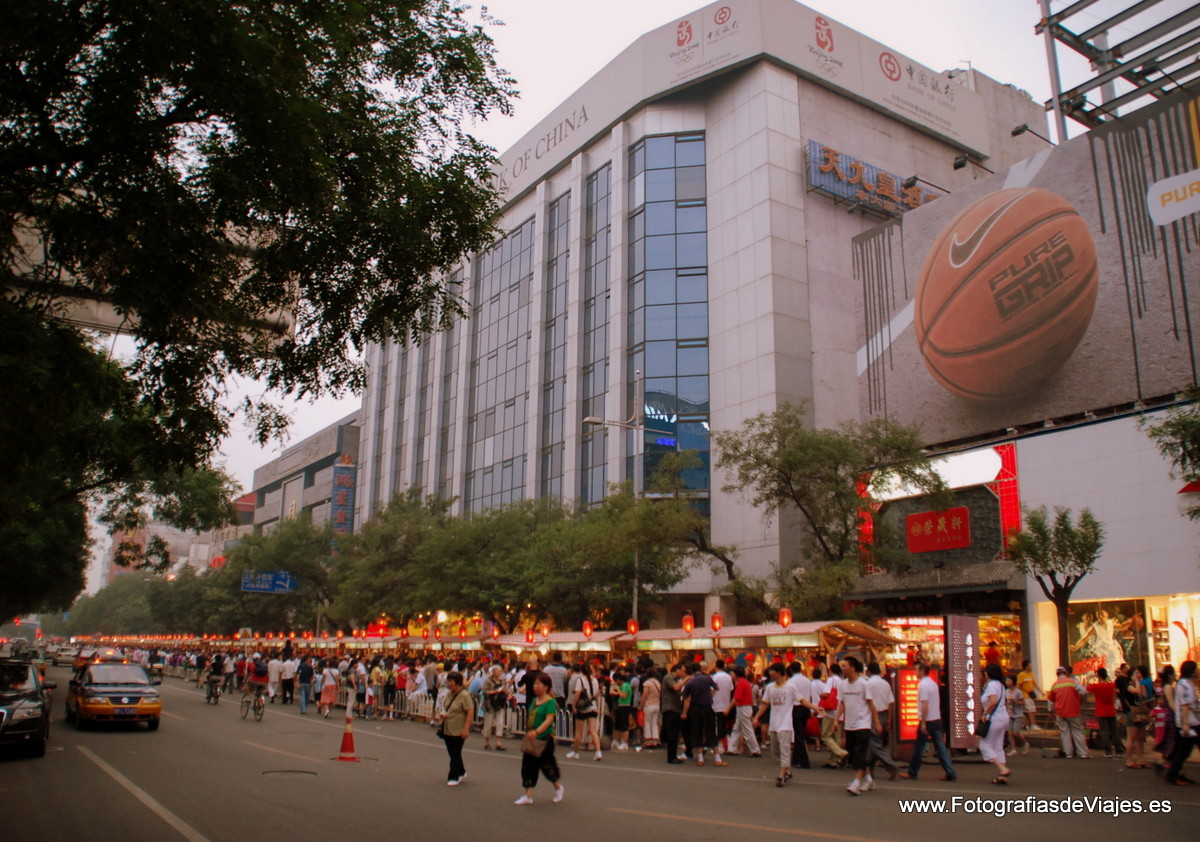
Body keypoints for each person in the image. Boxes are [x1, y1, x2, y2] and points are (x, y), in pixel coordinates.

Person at [900, 662, 955, 782]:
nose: (915, 672)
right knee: (940, 747)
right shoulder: (933, 684)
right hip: (936, 718)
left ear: (922, 671)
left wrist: (923, 722)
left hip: (928, 720)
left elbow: (925, 704)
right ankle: (950, 771)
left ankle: (912, 771)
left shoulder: (923, 685)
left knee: (919, 747)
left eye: (916, 670)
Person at [515, 672, 564, 805]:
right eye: (534, 684)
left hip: (544, 739)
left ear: (546, 687)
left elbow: (549, 720)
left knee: (547, 766)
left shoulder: (550, 702)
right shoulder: (533, 701)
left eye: (538, 684)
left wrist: (537, 732)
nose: (535, 686)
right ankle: (528, 795)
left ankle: (558, 787)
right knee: (527, 767)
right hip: (531, 738)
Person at [754, 662, 800, 787]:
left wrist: (815, 708)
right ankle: (787, 770)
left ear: (778, 672)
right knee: (775, 751)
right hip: (774, 723)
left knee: (785, 749)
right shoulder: (770, 687)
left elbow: (801, 700)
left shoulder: (791, 686)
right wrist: (757, 717)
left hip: (785, 724)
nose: (770, 673)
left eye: (772, 670)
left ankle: (782, 774)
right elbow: (765, 704)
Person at [681, 662, 724, 767]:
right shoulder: (707, 678)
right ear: (700, 669)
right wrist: (709, 694)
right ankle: (717, 758)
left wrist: (684, 712)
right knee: (711, 731)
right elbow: (717, 688)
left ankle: (700, 758)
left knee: (697, 732)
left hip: (695, 708)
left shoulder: (690, 682)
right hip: (707, 707)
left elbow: (685, 696)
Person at [437, 671, 474, 787]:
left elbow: (470, 712)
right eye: (448, 681)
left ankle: (453, 776)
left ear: (458, 683)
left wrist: (466, 729)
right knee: (453, 752)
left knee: (455, 752)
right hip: (448, 727)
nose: (449, 684)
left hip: (459, 728)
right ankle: (461, 771)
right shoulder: (449, 694)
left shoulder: (464, 695)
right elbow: (446, 706)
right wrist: (444, 714)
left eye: (451, 681)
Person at [864, 662, 899, 780]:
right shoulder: (885, 684)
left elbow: (867, 702)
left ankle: (890, 765)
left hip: (873, 716)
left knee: (874, 743)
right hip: (884, 714)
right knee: (875, 742)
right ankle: (869, 768)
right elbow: (890, 702)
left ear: (868, 671)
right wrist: (889, 719)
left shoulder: (867, 684)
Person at [978, 663, 1012, 784]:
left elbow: (993, 701)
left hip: (994, 718)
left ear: (988, 674)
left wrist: (985, 714)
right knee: (998, 746)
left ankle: (1002, 769)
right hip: (1003, 717)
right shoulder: (1001, 685)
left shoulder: (991, 685)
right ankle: (1002, 775)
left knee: (984, 745)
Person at [1165, 660, 1198, 786]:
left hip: (1189, 722)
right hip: (1190, 723)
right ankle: (1172, 774)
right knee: (1182, 751)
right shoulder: (1185, 685)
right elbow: (1185, 705)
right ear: (1193, 671)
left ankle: (1173, 774)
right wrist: (1185, 724)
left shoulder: (1186, 683)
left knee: (1183, 751)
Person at [1048, 665, 1088, 758]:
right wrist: (1080, 700)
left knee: (1065, 733)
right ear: (1066, 673)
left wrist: (1050, 711)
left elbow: (1050, 700)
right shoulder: (1073, 682)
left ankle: (1068, 753)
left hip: (1060, 712)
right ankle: (1082, 753)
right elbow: (1083, 691)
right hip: (1073, 711)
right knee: (1077, 731)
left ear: (1057, 674)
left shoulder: (1055, 685)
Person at [812, 664, 848, 767]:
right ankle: (833, 761)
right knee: (837, 737)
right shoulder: (843, 681)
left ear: (830, 671)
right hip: (840, 712)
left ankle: (840, 753)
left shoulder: (831, 680)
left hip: (831, 712)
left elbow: (826, 694)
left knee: (826, 735)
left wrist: (820, 695)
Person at [566, 661, 602, 761]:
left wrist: (574, 705)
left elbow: (577, 694)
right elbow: (597, 695)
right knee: (593, 731)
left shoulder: (580, 680)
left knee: (578, 732)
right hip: (593, 706)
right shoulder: (595, 680)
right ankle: (598, 752)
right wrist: (597, 707)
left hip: (582, 708)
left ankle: (575, 752)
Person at [1087, 667, 1122, 757]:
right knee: (1114, 731)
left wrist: (1088, 679)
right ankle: (1119, 750)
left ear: (1098, 676)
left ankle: (1108, 751)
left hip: (1101, 711)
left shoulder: (1096, 686)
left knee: (1104, 732)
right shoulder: (1112, 685)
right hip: (1111, 710)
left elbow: (1086, 689)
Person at [1122, 664, 1151, 768]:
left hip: (1141, 712)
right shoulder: (1129, 685)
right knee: (1131, 737)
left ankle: (1141, 759)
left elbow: (1144, 696)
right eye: (1136, 673)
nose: (1139, 675)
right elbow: (1136, 692)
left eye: (1139, 673)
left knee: (1140, 738)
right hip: (1132, 712)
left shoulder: (1141, 684)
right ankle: (1129, 760)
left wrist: (1142, 684)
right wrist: (1137, 682)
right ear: (1131, 675)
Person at [729, 665, 761, 757]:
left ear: (736, 674)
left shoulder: (741, 683)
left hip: (743, 707)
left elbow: (736, 698)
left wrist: (728, 708)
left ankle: (755, 750)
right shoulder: (744, 682)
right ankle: (732, 748)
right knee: (737, 728)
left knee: (746, 729)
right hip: (745, 707)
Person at [786, 662, 813, 769]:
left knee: (798, 735)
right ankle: (795, 759)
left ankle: (804, 761)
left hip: (796, 707)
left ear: (791, 670)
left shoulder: (791, 681)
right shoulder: (807, 680)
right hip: (806, 708)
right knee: (800, 733)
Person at [660, 662, 686, 764]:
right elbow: (675, 688)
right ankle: (671, 757)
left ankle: (673, 755)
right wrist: (686, 680)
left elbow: (678, 690)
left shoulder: (675, 680)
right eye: (682, 671)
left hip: (675, 708)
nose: (683, 673)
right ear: (677, 670)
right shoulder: (668, 677)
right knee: (672, 733)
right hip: (670, 709)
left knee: (675, 734)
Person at [482, 664, 508, 750]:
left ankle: (498, 742)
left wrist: (506, 692)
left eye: (501, 671)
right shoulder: (488, 681)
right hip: (489, 705)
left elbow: (506, 691)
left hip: (499, 705)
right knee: (488, 724)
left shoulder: (501, 681)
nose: (500, 673)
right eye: (499, 671)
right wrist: (495, 691)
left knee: (500, 723)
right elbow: (485, 692)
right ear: (493, 672)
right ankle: (487, 742)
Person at [1004, 675, 1030, 755]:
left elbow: (1023, 703)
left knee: (1016, 732)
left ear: (1013, 682)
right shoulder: (1006, 691)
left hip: (1018, 714)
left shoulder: (1018, 692)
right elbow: (1005, 702)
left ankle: (1025, 743)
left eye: (1009, 680)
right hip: (1009, 714)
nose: (1007, 682)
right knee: (1009, 732)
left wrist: (1016, 702)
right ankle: (1013, 749)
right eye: (1007, 680)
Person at [639, 667, 662, 748]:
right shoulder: (658, 683)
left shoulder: (647, 683)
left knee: (647, 722)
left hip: (649, 704)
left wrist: (641, 705)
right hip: (657, 704)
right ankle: (655, 740)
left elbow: (645, 695)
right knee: (655, 723)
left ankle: (648, 741)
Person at [1016, 659, 1041, 730]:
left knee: (1032, 709)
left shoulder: (1031, 674)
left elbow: (1034, 684)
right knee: (1030, 709)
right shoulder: (1021, 675)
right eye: (1030, 665)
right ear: (1026, 667)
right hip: (1025, 695)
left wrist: (1040, 691)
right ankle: (1032, 724)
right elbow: (1019, 685)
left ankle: (1033, 724)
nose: (1031, 666)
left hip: (1031, 694)